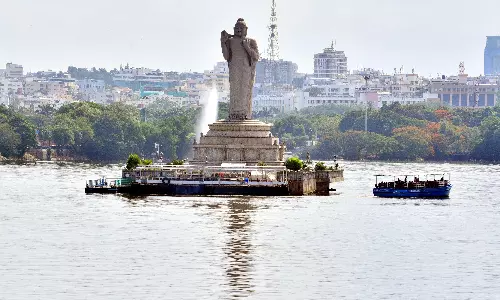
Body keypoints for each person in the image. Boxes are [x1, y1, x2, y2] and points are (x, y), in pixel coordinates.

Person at [220, 18, 259, 120]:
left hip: (246, 70)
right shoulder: (230, 41)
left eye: (241, 28)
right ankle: (234, 113)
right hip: (234, 69)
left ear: (246, 29)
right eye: (237, 28)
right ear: (234, 29)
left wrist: (246, 46)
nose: (239, 30)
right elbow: (227, 56)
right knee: (235, 91)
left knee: (244, 91)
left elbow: (256, 56)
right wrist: (223, 43)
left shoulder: (251, 41)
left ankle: (245, 113)